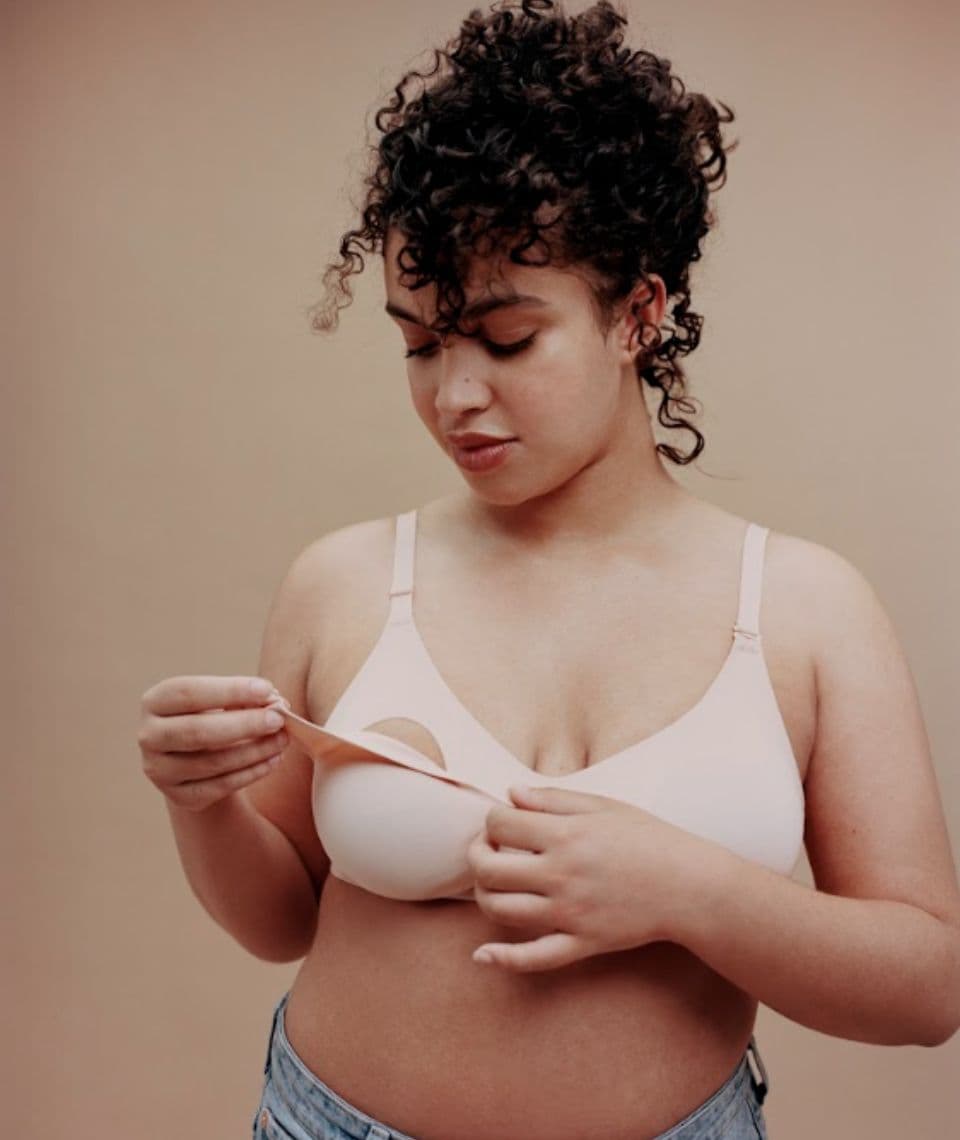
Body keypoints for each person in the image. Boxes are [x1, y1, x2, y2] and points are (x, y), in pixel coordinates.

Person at [137, 2, 960, 1138]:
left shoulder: (807, 611)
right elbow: (280, 919)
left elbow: (929, 989)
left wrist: (690, 891)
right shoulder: (345, 583)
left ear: (638, 314)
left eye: (506, 339)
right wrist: (203, 806)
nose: (453, 396)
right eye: (419, 345)